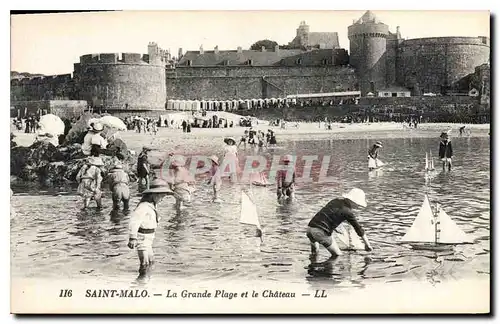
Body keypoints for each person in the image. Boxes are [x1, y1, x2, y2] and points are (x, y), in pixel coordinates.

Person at [306, 188, 373, 258]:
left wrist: (335, 228)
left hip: (310, 228)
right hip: (320, 232)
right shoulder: (348, 212)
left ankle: (312, 266)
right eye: (358, 204)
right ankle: (327, 268)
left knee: (314, 254)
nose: (358, 206)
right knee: (337, 256)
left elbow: (327, 215)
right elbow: (358, 229)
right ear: (353, 201)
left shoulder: (335, 201)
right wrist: (367, 245)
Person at [127, 178, 173, 277]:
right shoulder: (143, 206)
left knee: (151, 261)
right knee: (144, 263)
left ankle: (147, 280)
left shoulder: (152, 206)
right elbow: (134, 222)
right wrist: (132, 238)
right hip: (142, 238)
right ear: (153, 195)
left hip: (149, 238)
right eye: (161, 195)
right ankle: (141, 282)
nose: (162, 198)